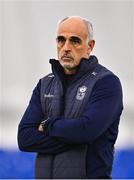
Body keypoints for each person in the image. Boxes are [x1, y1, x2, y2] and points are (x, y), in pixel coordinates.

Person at [18, 16, 123, 179]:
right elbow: (25, 138)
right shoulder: (45, 83)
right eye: (61, 40)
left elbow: (86, 130)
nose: (66, 47)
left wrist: (47, 125)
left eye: (74, 41)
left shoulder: (106, 83)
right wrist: (75, 138)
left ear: (90, 46)